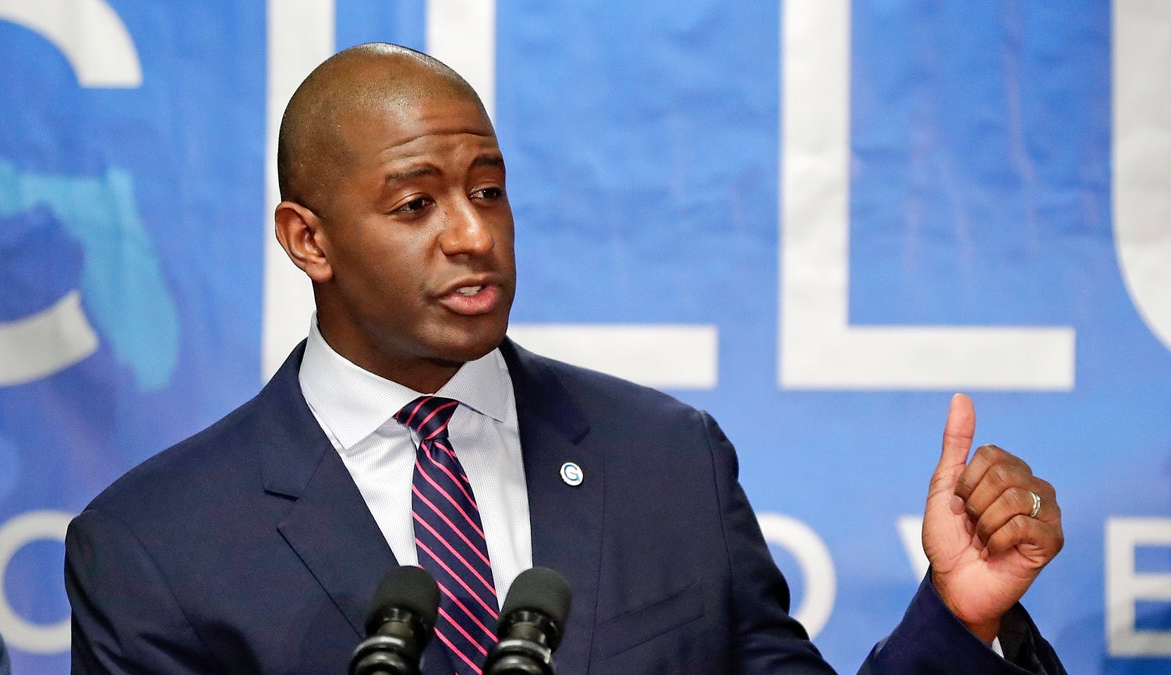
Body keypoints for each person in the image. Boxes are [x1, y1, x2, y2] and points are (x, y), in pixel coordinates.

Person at [64, 43, 1066, 674]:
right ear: (307, 239)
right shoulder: (158, 549)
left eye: (489, 190)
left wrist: (955, 617)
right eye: (416, 205)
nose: (471, 235)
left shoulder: (667, 461)